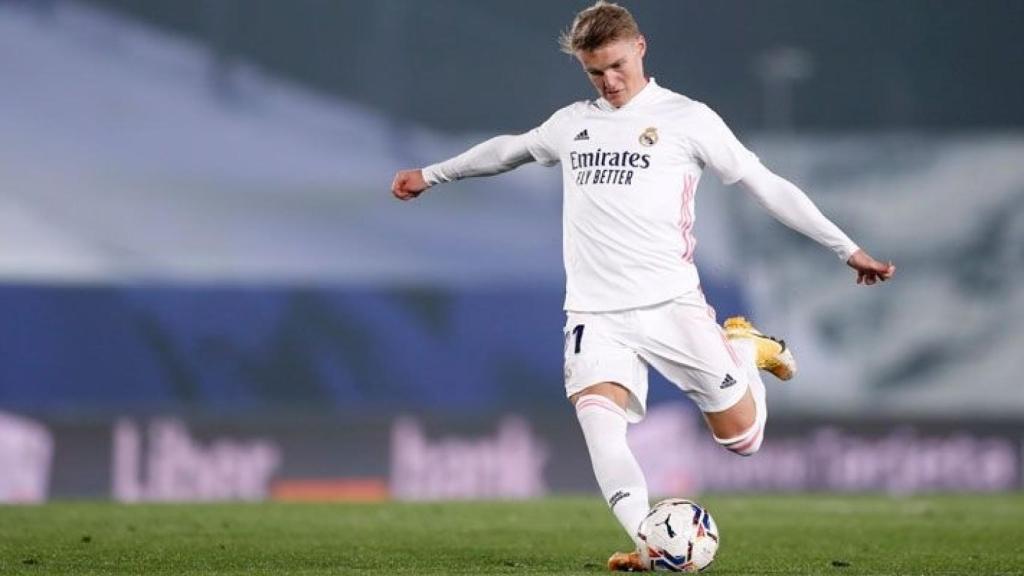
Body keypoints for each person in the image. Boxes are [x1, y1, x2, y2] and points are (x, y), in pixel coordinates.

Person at [391, 1, 895, 571]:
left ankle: (743, 348)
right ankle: (650, 543)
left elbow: (766, 184)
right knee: (601, 430)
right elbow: (509, 149)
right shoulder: (571, 123)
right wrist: (432, 175)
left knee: (743, 440)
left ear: (641, 48)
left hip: (671, 305)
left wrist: (846, 248)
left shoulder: (688, 118)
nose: (607, 82)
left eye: (615, 66)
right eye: (593, 72)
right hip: (594, 314)